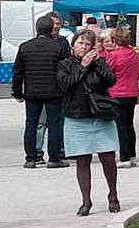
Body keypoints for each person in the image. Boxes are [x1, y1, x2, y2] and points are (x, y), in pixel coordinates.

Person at [58, 29, 120, 216]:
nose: (83, 47)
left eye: (87, 44)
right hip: (77, 117)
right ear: (73, 46)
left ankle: (113, 194)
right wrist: (83, 66)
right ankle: (86, 201)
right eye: (80, 43)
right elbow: (65, 84)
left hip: (100, 116)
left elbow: (111, 80)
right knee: (82, 160)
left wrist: (97, 63)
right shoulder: (64, 65)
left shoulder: (99, 62)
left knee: (108, 158)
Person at [12, 15, 69, 169]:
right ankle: (54, 158)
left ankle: (31, 158)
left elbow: (17, 72)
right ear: (51, 29)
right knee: (54, 124)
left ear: (37, 29)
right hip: (54, 92)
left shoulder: (25, 47)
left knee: (31, 123)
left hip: (32, 92)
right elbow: (64, 71)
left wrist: (17, 93)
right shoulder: (59, 47)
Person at [102, 27, 139, 167]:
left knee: (120, 126)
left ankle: (124, 157)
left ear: (114, 40)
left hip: (117, 93)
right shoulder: (136, 55)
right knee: (129, 125)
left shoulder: (113, 55)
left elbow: (107, 73)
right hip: (132, 92)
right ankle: (132, 155)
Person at [35, 12, 71, 164]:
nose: (57, 26)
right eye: (54, 23)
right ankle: (37, 152)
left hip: (60, 89)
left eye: (59, 23)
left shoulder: (63, 42)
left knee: (60, 122)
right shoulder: (40, 42)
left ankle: (60, 150)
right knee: (41, 123)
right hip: (43, 88)